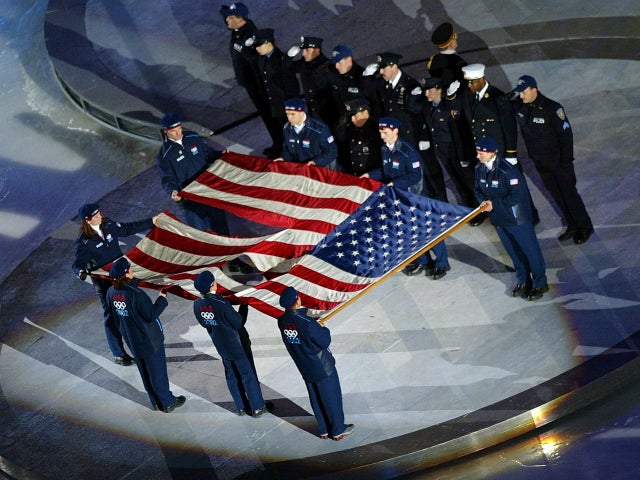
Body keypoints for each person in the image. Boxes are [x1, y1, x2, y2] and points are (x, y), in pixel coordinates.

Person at [363, 117, 451, 279]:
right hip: (398, 199)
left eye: (385, 132)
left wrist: (394, 184)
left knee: (427, 231)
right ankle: (423, 261)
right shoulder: (385, 149)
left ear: (395, 131)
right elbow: (385, 171)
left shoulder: (408, 152)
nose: (382, 136)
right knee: (409, 233)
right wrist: (370, 175)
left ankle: (442, 263)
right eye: (381, 132)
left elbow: (415, 175)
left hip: (414, 198)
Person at [511, 75, 594, 244]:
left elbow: (566, 136)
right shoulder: (521, 106)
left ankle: (585, 227)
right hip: (541, 163)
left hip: (559, 163)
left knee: (570, 196)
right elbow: (504, 106)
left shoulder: (552, 109)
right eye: (519, 93)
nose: (521, 96)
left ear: (535, 89)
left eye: (524, 92)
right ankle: (572, 224)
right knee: (557, 195)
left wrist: (566, 162)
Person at [72, 203, 157, 365]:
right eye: (95, 216)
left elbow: (127, 229)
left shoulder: (108, 224)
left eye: (99, 213)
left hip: (124, 276)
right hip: (105, 283)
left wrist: (152, 221)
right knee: (112, 315)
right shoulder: (84, 241)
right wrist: (81, 272)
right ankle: (118, 353)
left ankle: (142, 339)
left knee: (134, 305)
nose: (99, 217)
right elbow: (78, 263)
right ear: (87, 221)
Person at [461, 64, 539, 224]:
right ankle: (506, 214)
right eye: (468, 82)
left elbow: (509, 127)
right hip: (487, 155)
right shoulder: (471, 97)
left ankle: (530, 215)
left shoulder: (498, 98)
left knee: (516, 187)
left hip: (502, 153)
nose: (469, 86)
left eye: (472, 82)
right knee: (495, 188)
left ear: (481, 79)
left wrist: (511, 153)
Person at [107, 257, 186, 412]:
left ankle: (155, 402)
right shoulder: (137, 295)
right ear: (127, 273)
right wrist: (162, 299)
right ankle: (167, 402)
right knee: (158, 372)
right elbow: (151, 314)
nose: (132, 270)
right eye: (130, 269)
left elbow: (117, 314)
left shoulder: (111, 293)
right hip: (149, 340)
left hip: (132, 340)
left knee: (145, 372)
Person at [474, 137, 549, 301]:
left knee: (530, 251)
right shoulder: (479, 169)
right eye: (478, 153)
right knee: (514, 253)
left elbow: (516, 196)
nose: (478, 156)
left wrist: (494, 204)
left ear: (492, 153)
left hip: (516, 219)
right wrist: (483, 202)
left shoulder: (508, 171)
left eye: (481, 153)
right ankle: (523, 280)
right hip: (499, 219)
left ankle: (540, 283)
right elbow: (478, 190)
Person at [277, 287, 354, 441]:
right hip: (321, 366)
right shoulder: (307, 323)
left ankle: (324, 429)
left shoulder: (282, 321)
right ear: (297, 300)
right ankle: (338, 429)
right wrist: (323, 328)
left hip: (304, 365)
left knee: (316, 398)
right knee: (331, 397)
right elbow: (324, 341)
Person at [193, 271, 267, 417]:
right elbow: (238, 322)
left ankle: (241, 406)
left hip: (221, 345)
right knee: (247, 375)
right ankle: (257, 407)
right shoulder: (221, 304)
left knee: (231, 375)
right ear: (212, 284)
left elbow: (204, 323)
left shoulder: (197, 304)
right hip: (237, 345)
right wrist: (244, 307)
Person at [375, 51, 447, 202]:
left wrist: (424, 137)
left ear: (394, 66)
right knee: (406, 174)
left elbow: (422, 113)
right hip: (399, 140)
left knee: (429, 172)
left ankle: (441, 203)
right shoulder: (385, 85)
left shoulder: (411, 85)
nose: (381, 71)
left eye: (383, 68)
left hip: (415, 138)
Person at [419, 76, 485, 224]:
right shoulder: (428, 107)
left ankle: (482, 210)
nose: (426, 94)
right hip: (443, 153)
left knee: (470, 182)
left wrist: (463, 157)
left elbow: (460, 133)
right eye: (425, 90)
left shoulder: (450, 108)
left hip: (457, 152)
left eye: (430, 90)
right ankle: (471, 210)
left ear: (439, 90)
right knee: (458, 182)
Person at [156, 112, 228, 233]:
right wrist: (173, 191)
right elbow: (167, 178)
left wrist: (221, 155)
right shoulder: (165, 155)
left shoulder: (193, 137)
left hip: (208, 191)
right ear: (166, 131)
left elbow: (208, 154)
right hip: (190, 200)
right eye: (174, 131)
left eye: (179, 129)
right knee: (199, 235)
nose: (178, 133)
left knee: (221, 227)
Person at [253, 28, 300, 158]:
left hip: (285, 102)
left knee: (293, 130)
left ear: (269, 43)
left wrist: (292, 104)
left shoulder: (280, 60)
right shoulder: (262, 59)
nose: (257, 48)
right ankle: (283, 151)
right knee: (282, 130)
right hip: (274, 103)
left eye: (259, 45)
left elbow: (291, 85)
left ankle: (296, 154)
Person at [219, 3, 263, 121]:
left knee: (267, 113)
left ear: (240, 19)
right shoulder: (238, 28)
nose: (227, 19)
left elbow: (256, 59)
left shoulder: (249, 35)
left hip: (256, 83)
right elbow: (226, 16)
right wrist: (225, 11)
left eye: (230, 17)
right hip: (248, 82)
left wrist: (243, 48)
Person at [274, 98, 337, 169]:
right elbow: (288, 151)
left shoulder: (319, 129)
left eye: (292, 114)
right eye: (287, 114)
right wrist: (283, 158)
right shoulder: (287, 128)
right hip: (303, 170)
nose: (289, 118)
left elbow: (332, 152)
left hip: (322, 170)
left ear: (302, 113)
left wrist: (315, 162)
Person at [288, 36, 337, 127]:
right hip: (314, 114)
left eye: (307, 50)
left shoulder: (329, 67)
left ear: (317, 50)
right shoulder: (303, 65)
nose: (303, 54)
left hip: (330, 114)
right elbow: (287, 69)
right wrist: (288, 57)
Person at [339, 98, 382, 176]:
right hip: (352, 175)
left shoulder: (377, 130)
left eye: (355, 115)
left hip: (370, 175)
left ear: (365, 113)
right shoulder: (350, 128)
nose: (352, 119)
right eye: (351, 116)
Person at [427, 22, 468, 91]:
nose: (456, 39)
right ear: (451, 44)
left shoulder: (433, 60)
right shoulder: (459, 63)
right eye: (454, 38)